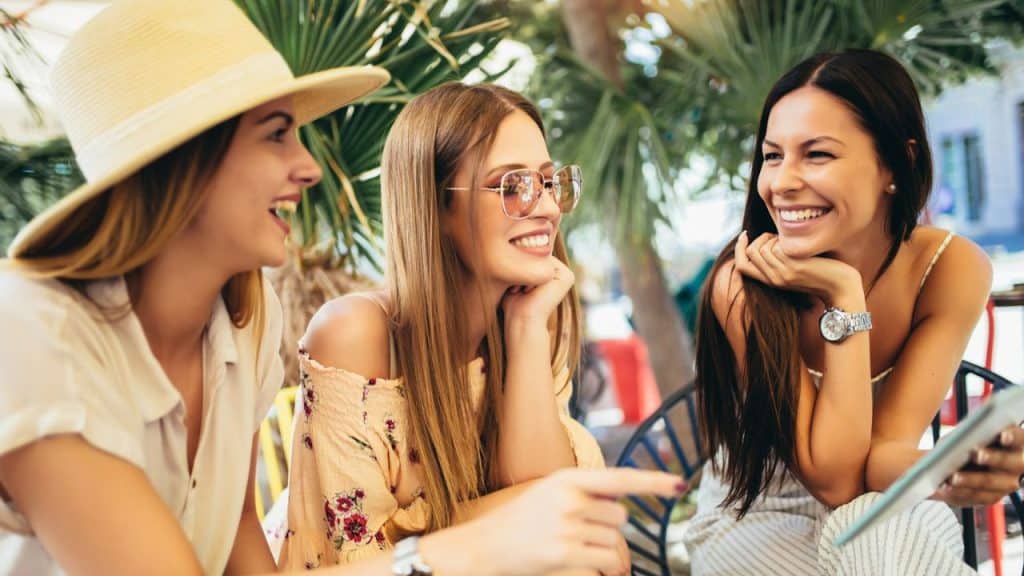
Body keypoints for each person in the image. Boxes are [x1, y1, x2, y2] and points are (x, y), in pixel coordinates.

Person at [0, 1, 680, 575]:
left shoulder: (241, 323)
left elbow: (241, 543)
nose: (308, 168)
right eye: (276, 136)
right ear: (185, 163)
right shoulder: (33, 337)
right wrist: (455, 550)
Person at [685, 49, 1024, 575]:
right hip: (755, 513)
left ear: (896, 162)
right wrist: (846, 296)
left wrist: (953, 469)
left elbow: (883, 456)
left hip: (881, 499)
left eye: (816, 154)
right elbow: (835, 478)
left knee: (878, 528)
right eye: (772, 156)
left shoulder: (947, 268)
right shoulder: (743, 285)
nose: (782, 182)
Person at [275, 82, 613, 571]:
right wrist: (516, 517)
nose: (547, 208)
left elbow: (554, 541)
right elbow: (360, 560)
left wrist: (525, 329)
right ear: (435, 207)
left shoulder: (534, 315)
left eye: (547, 181)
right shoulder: (355, 337)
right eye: (512, 186)